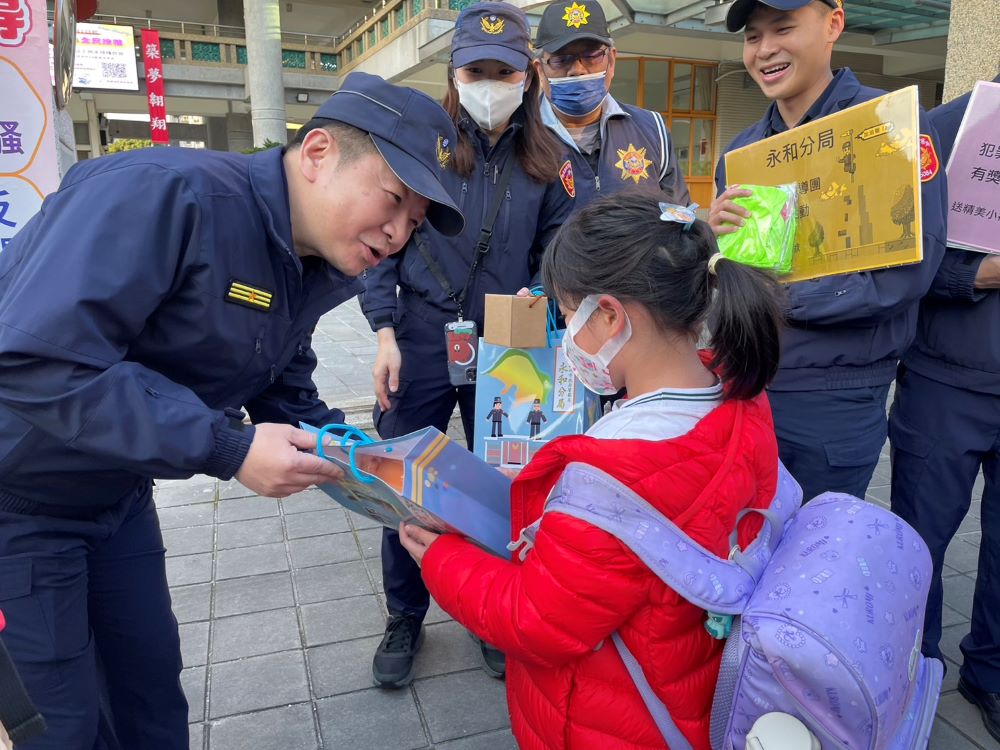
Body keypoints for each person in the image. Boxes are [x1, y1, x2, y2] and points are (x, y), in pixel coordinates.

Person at [0, 72, 463, 750]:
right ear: (318, 154)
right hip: (18, 504)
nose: (396, 234)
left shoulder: (308, 261)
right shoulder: (164, 195)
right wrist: (229, 447)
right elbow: (35, 358)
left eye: (414, 224)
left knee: (151, 697)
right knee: (59, 726)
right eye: (393, 200)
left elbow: (280, 380)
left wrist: (370, 467)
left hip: (117, 495)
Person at [398, 191, 785, 749]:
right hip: (687, 684)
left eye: (565, 312)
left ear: (609, 315)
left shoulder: (612, 475)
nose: (566, 334)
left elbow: (535, 620)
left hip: (615, 719)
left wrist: (440, 558)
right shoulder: (739, 397)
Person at [361, 0, 573, 688]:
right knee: (404, 486)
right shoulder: (418, 143)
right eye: (476, 70)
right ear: (454, 74)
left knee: (500, 488)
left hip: (510, 349)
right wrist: (384, 332)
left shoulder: (549, 160)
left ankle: (492, 612)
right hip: (421, 337)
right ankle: (405, 615)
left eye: (503, 71)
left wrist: (542, 295)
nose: (490, 84)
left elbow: (558, 249)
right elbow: (382, 241)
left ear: (527, 78)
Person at [709, 0, 947, 503]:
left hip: (834, 400)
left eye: (784, 28)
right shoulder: (742, 156)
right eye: (753, 36)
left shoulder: (889, 127)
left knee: (814, 562)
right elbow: (730, 277)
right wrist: (715, 250)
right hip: (746, 387)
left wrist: (777, 302)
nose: (765, 49)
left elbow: (907, 272)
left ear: (834, 23)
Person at [889, 73, 1000, 743]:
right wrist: (987, 271)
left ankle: (988, 673)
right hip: (946, 382)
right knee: (919, 543)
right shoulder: (947, 128)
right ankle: (911, 668)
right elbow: (908, 259)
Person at [533, 0, 689, 208]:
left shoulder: (652, 130)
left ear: (612, 60)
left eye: (591, 55)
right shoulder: (518, 133)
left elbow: (679, 218)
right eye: (562, 59)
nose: (577, 70)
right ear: (540, 70)